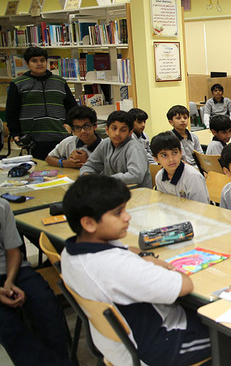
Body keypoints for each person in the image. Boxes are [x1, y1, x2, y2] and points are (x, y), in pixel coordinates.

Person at [60, 175, 211, 366]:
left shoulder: (70, 252)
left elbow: (128, 250)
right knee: (230, 333)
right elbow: (185, 285)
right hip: (158, 346)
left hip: (116, 344)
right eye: (118, 213)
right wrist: (162, 265)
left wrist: (143, 257)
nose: (127, 217)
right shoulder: (117, 266)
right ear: (89, 223)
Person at [0, 198, 71, 366]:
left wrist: (9, 282)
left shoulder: (2, 206)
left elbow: (13, 251)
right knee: (7, 325)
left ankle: (62, 360)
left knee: (45, 304)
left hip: (11, 270)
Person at [5, 46, 77, 160]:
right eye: (34, 61)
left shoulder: (60, 82)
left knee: (63, 168)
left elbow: (72, 107)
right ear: (27, 64)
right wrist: (15, 133)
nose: (39, 64)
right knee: (38, 169)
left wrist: (69, 124)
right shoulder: (18, 84)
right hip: (33, 139)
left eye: (42, 60)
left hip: (60, 136)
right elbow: (11, 112)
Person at [80, 110, 152, 188]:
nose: (117, 133)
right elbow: (90, 165)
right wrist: (86, 175)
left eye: (123, 130)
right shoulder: (105, 143)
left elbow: (136, 176)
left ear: (130, 133)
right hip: (112, 189)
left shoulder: (134, 147)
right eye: (114, 128)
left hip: (136, 192)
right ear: (107, 130)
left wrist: (105, 179)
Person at [151, 132, 210, 204]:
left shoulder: (193, 177)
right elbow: (164, 204)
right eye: (164, 155)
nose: (171, 159)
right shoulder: (159, 177)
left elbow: (202, 207)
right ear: (156, 159)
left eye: (175, 153)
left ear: (181, 153)